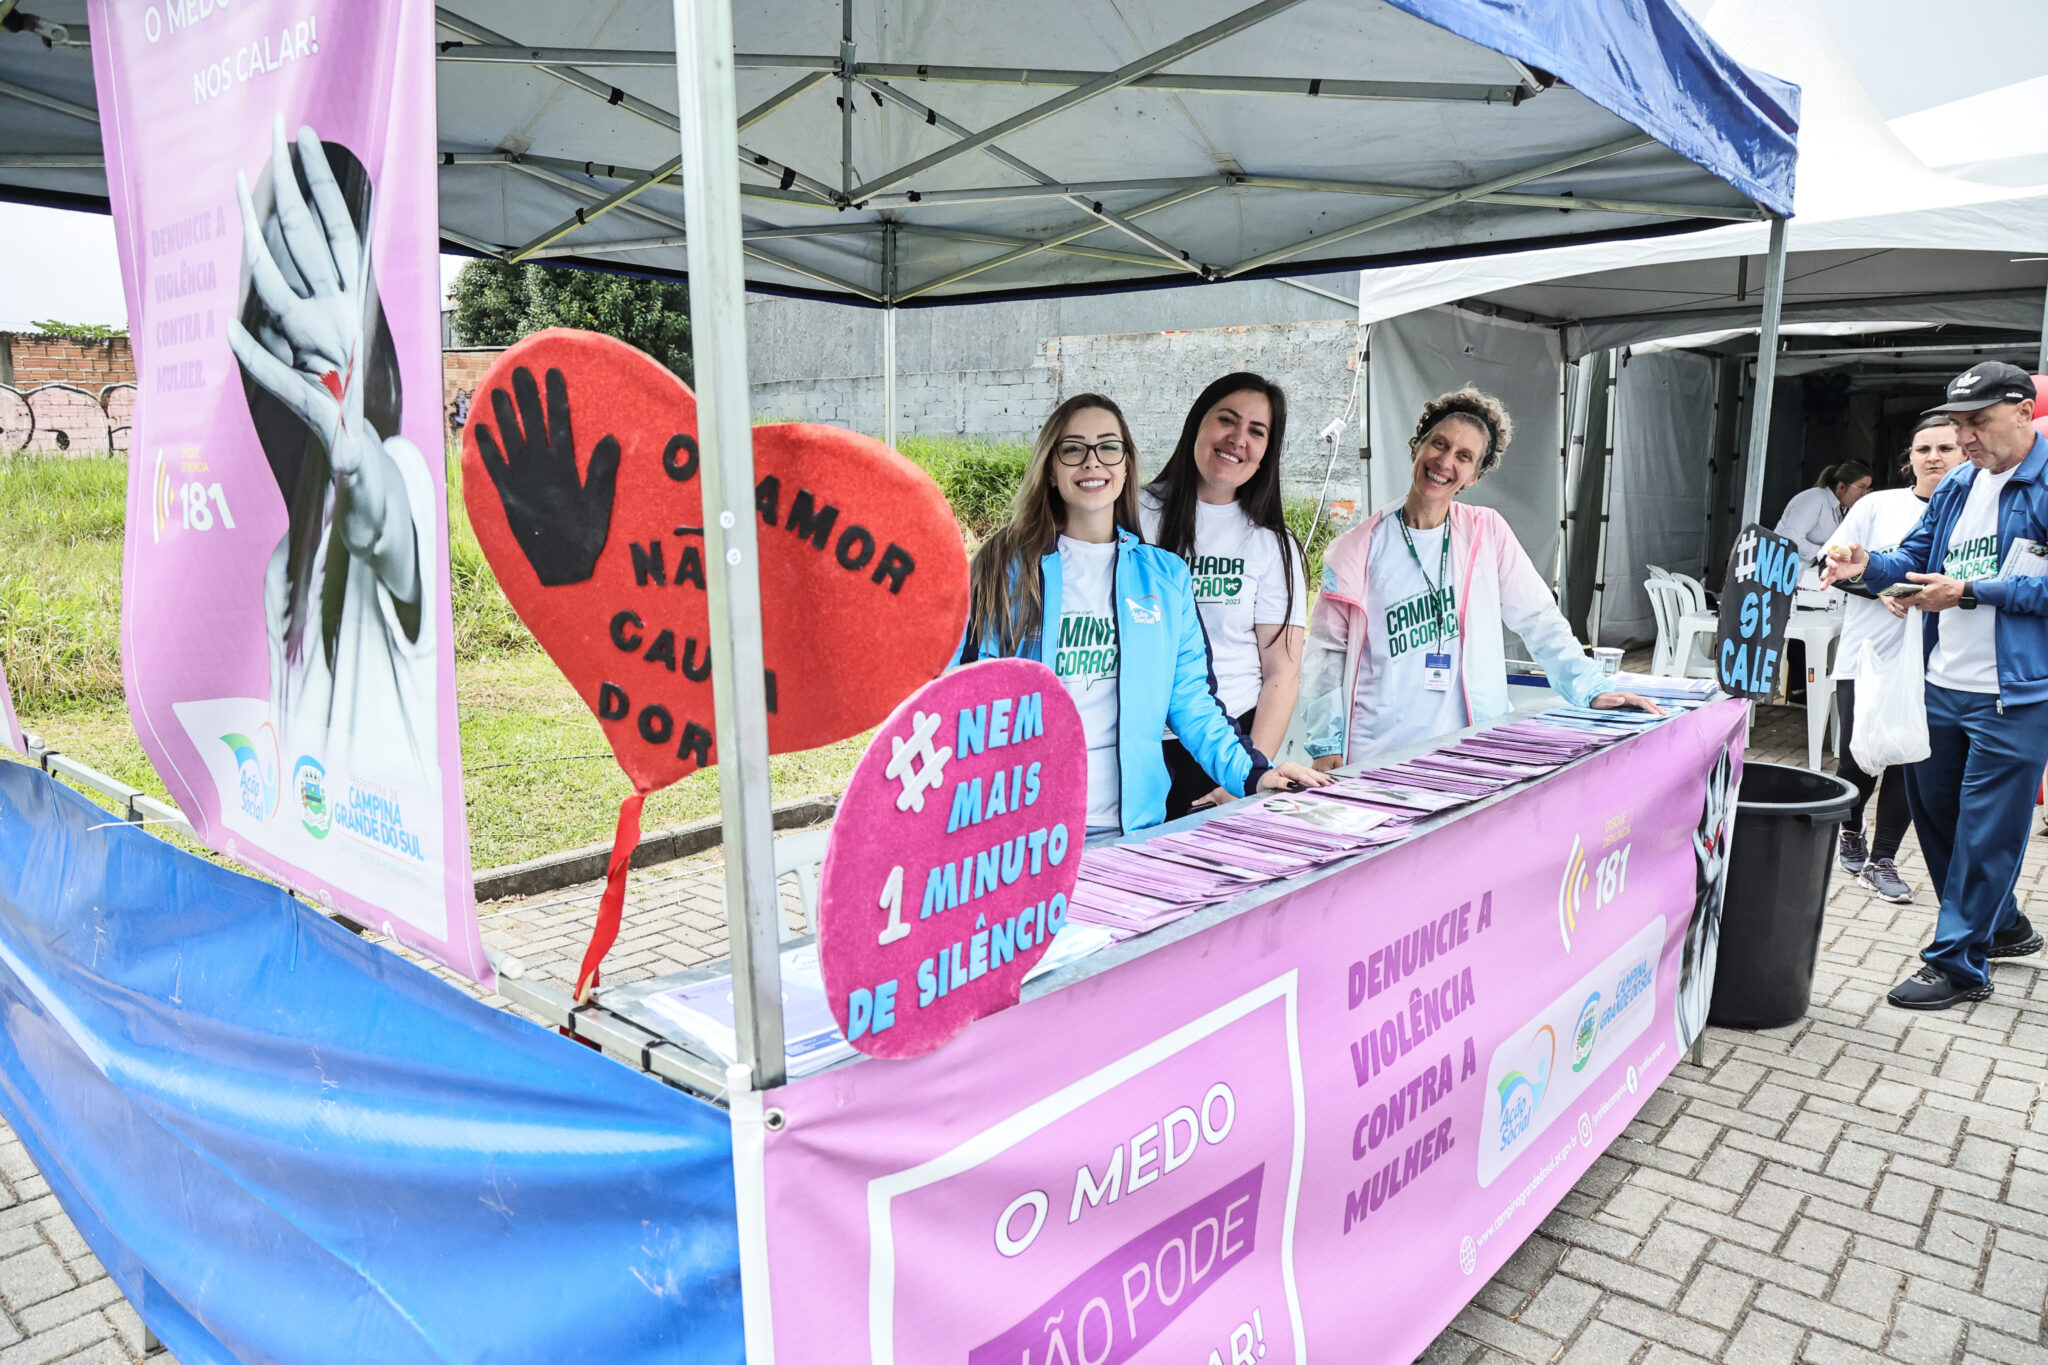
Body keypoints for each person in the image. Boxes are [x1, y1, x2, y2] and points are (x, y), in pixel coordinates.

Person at [959, 393, 1331, 836]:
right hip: (1024, 834)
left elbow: (1192, 702)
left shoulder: (1164, 577)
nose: (1092, 461)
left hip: (1133, 832)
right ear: (1051, 469)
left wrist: (1256, 774)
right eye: (1073, 449)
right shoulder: (1003, 568)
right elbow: (964, 701)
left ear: (1126, 466)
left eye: (1108, 447)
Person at [1824, 361, 2048, 1009]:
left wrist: (1973, 591)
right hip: (1939, 683)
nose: (1964, 438)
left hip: (2016, 694)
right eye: (1957, 424)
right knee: (1939, 819)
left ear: (2022, 411)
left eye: (1977, 422)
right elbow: (1914, 560)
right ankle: (2002, 924)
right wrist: (1867, 566)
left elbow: (1988, 586)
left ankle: (1958, 965)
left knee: (1986, 833)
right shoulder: (1957, 486)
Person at [226, 116, 436, 781]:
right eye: (276, 310)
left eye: (315, 295)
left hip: (392, 842)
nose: (300, 337)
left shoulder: (403, 471)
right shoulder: (281, 566)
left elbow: (376, 518)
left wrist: (357, 461)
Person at [1302, 388, 1661, 771]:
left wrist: (1590, 688)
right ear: (1416, 446)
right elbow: (1326, 655)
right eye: (1439, 444)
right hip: (1378, 755)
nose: (1445, 461)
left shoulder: (1486, 533)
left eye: (1464, 456)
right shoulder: (1356, 549)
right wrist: (1326, 744)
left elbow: (1539, 619)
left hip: (1471, 752)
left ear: (1474, 476)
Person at [1140, 373, 1307, 818]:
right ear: (1197, 422)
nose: (1238, 439)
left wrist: (1247, 776)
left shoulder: (1272, 543)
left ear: (1267, 451)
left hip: (1226, 748)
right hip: (1134, 746)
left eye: (1257, 431)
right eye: (1227, 420)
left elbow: (1282, 672)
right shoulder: (1134, 514)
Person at [1827, 417, 1965, 902]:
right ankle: (1849, 829)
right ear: (1909, 459)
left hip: (1933, 660)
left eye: (1945, 448)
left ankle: (1882, 859)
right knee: (1857, 756)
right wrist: (1880, 586)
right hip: (1867, 653)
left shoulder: (1972, 512)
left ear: (1965, 453)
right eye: (1923, 449)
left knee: (1909, 756)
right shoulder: (1877, 505)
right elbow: (1834, 566)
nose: (1934, 457)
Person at [1776, 462, 1873, 564]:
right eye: (1861, 487)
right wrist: (1824, 553)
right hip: (1780, 567)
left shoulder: (1841, 509)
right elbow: (1791, 538)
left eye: (1867, 489)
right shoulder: (1815, 499)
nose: (1864, 494)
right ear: (1841, 486)